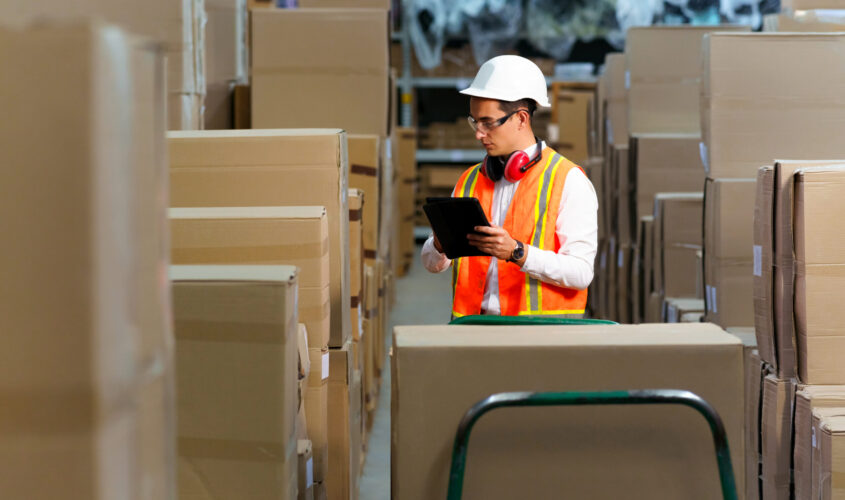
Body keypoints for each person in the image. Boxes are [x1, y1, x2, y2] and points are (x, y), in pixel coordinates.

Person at [421, 55, 598, 318]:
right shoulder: (470, 180)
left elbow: (581, 273)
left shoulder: (568, 180)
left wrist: (518, 252)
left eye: (488, 123)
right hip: (473, 331)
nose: (478, 134)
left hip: (538, 338)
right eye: (474, 121)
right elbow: (432, 264)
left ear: (521, 119)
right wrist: (439, 244)